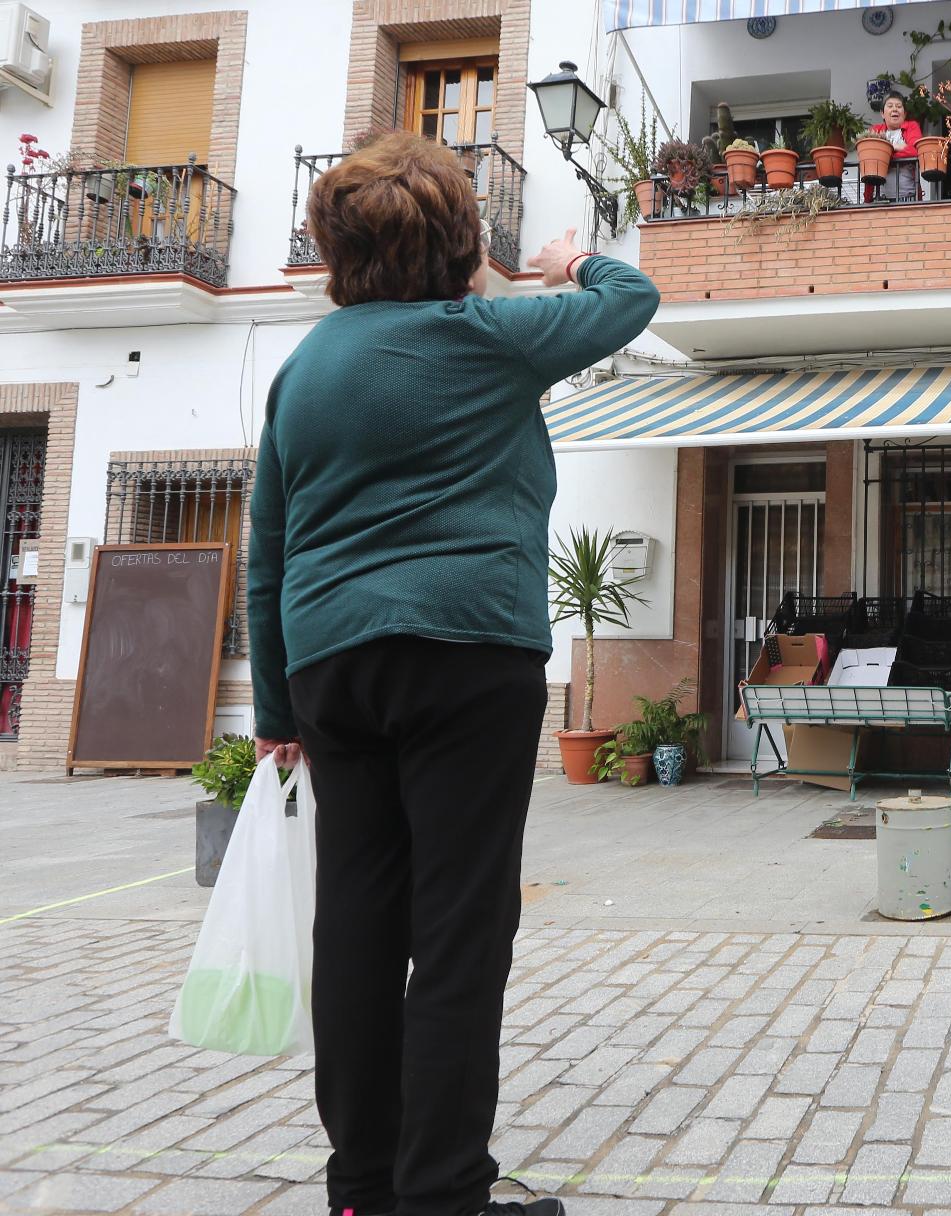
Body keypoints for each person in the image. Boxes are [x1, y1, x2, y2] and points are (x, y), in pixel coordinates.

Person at [248, 131, 660, 1216]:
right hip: (469, 658)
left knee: (359, 923)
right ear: (459, 245)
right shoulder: (490, 334)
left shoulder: (304, 370)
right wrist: (567, 264)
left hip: (334, 663)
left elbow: (270, 546)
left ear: (336, 250)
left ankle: (362, 1187)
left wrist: (276, 707)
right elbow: (633, 298)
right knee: (460, 927)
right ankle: (443, 1191)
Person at [867, 92, 922, 202]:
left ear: (904, 113)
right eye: (890, 106)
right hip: (878, 198)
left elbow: (917, 151)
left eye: (898, 106)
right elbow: (869, 157)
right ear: (882, 113)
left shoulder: (912, 127)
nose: (894, 109)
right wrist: (899, 148)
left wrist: (886, 153)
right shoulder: (875, 131)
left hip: (907, 196)